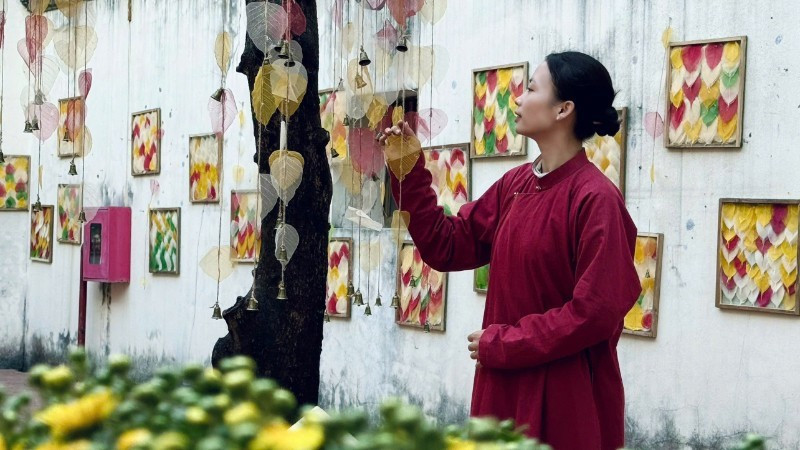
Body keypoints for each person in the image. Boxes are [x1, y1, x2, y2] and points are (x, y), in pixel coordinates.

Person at [379, 51, 641, 449]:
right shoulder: (515, 186)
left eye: (532, 89)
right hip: (502, 386)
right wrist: (409, 172)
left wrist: (505, 344)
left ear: (563, 109)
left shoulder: (595, 199)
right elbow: (446, 246)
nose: (518, 98)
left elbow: (595, 314)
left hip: (564, 396)